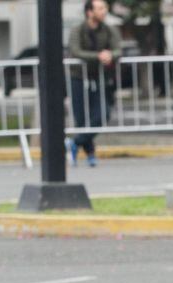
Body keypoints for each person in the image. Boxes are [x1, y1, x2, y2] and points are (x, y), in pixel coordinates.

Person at [66, 0, 121, 167]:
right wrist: (98, 56)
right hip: (78, 77)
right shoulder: (78, 29)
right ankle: (90, 153)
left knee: (102, 113)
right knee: (81, 118)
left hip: (99, 78)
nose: (104, 11)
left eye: (105, 8)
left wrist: (110, 54)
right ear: (89, 12)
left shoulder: (109, 30)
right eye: (100, 8)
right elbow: (75, 51)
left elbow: (118, 49)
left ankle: (74, 143)